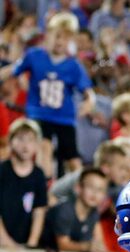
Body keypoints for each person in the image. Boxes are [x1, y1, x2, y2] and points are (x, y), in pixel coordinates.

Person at [2, 12, 95, 178]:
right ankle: (44, 186)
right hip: (39, 113)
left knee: (73, 160)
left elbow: (88, 92)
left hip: (64, 117)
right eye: (57, 36)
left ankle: (78, 188)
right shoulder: (34, 56)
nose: (60, 41)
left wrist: (89, 102)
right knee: (43, 148)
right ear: (48, 34)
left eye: (65, 38)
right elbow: (13, 70)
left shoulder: (74, 66)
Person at [0, 118, 48, 248]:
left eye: (31, 140)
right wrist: (7, 243)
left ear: (37, 145)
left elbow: (39, 211)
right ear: (11, 142)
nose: (25, 145)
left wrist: (32, 243)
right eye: (20, 139)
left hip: (24, 242)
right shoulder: (2, 170)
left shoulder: (38, 175)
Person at [40, 166, 107, 252]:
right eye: (91, 187)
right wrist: (86, 247)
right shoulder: (65, 210)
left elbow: (100, 242)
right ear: (78, 188)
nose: (95, 193)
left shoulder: (94, 213)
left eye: (100, 190)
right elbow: (63, 245)